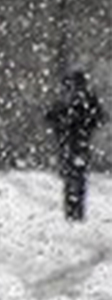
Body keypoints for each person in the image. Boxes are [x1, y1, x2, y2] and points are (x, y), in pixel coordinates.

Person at [46, 70, 106, 221]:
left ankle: (72, 210)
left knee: (71, 176)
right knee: (78, 176)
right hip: (80, 141)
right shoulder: (86, 98)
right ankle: (75, 210)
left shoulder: (65, 99)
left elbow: (50, 117)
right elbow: (100, 117)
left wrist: (63, 125)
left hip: (70, 141)